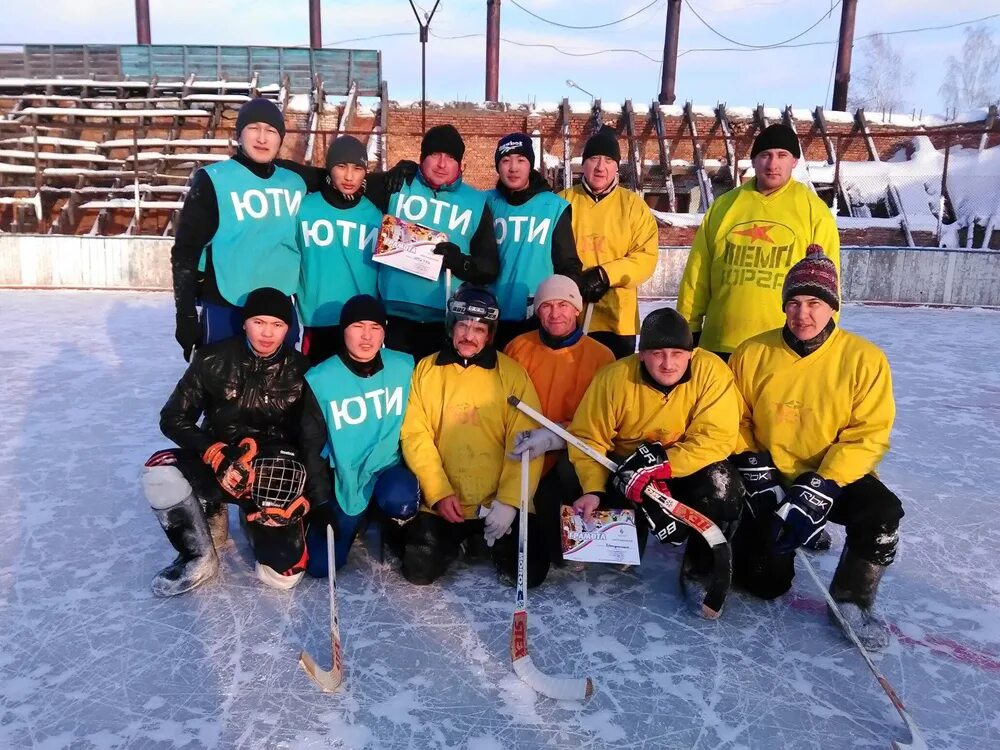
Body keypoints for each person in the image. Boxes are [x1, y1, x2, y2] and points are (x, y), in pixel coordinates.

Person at [728, 246, 902, 648]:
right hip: (770, 478)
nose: (802, 314)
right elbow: (734, 418)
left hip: (828, 478)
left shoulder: (864, 359)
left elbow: (869, 433)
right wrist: (754, 465)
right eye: (793, 303)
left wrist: (823, 486)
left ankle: (853, 598)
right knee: (764, 584)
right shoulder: (753, 352)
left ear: (832, 307)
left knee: (882, 513)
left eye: (814, 303)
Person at [142, 288, 313, 595]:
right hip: (219, 467)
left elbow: (313, 439)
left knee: (281, 577)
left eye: (277, 325)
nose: (267, 333)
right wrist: (213, 452)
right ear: (245, 323)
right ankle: (197, 555)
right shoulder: (211, 360)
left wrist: (305, 492)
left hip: (273, 478)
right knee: (160, 472)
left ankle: (255, 522)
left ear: (288, 329)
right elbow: (172, 417)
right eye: (259, 322)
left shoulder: (303, 371)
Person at [567, 307, 742, 598]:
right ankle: (627, 533)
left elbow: (717, 437)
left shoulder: (711, 372)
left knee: (723, 487)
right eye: (658, 353)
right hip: (626, 472)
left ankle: (699, 567)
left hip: (684, 464)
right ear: (642, 354)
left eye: (677, 354)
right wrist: (594, 489)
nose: (668, 364)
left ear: (691, 352)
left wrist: (661, 466)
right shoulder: (613, 379)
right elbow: (587, 439)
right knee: (578, 482)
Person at [399, 284, 548, 587]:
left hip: (497, 504)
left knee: (530, 574)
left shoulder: (512, 374)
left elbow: (527, 441)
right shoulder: (425, 370)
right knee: (418, 570)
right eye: (463, 325)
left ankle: (483, 540)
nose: (469, 335)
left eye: (479, 328)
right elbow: (416, 435)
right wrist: (438, 492)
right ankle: (460, 541)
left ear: (490, 334)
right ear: (451, 327)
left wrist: (510, 501)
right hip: (446, 503)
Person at [676, 123, 841, 360]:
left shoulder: (814, 212)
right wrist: (687, 328)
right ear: (754, 161)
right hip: (721, 341)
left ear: (794, 161)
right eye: (765, 155)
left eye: (782, 155)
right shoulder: (724, 206)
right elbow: (697, 273)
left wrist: (824, 338)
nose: (773, 164)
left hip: (781, 345)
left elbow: (829, 285)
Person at [171, 98, 307, 360]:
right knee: (222, 391)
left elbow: (336, 177)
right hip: (227, 304)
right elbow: (186, 251)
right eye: (254, 128)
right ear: (240, 134)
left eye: (271, 131)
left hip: (278, 310)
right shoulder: (213, 179)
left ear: (280, 139)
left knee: (280, 392)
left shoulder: (295, 182)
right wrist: (185, 313)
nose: (262, 138)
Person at [299, 294, 419, 573]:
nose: (367, 337)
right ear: (343, 331)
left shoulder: (405, 366)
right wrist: (320, 502)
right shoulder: (320, 379)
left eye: (375, 328)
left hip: (390, 469)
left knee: (400, 496)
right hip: (346, 480)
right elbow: (311, 445)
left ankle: (389, 525)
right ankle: (358, 519)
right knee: (320, 566)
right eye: (358, 327)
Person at [504, 274, 614, 563]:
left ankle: (582, 529)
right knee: (542, 545)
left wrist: (559, 437)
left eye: (563, 305)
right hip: (528, 449)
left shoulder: (601, 357)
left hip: (571, 452)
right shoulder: (517, 348)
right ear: (537, 310)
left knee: (570, 479)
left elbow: (602, 419)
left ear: (577, 309)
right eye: (547, 306)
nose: (555, 314)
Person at [379, 124, 500, 360]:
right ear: (422, 158)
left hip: (446, 320)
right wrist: (393, 173)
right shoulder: (398, 185)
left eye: (451, 157)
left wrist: (460, 262)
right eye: (435, 155)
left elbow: (489, 267)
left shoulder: (475, 201)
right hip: (393, 315)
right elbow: (347, 181)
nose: (442, 164)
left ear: (460, 164)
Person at [558, 125, 659, 359]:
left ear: (617, 166)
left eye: (608, 160)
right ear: (583, 164)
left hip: (617, 321)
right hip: (569, 315)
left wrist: (604, 274)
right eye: (594, 158)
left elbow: (646, 257)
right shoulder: (562, 202)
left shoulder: (633, 205)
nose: (600, 167)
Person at [485, 133, 582, 350]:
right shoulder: (485, 202)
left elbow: (568, 265)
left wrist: (565, 306)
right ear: (498, 167)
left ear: (531, 165)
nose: (513, 168)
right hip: (491, 316)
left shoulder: (554, 206)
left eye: (521, 160)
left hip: (536, 318)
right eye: (505, 160)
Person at [295, 135, 384, 365]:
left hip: (360, 323)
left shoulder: (376, 216)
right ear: (329, 168)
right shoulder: (304, 208)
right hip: (318, 319)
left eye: (357, 168)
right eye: (341, 166)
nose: (349, 176)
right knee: (316, 387)